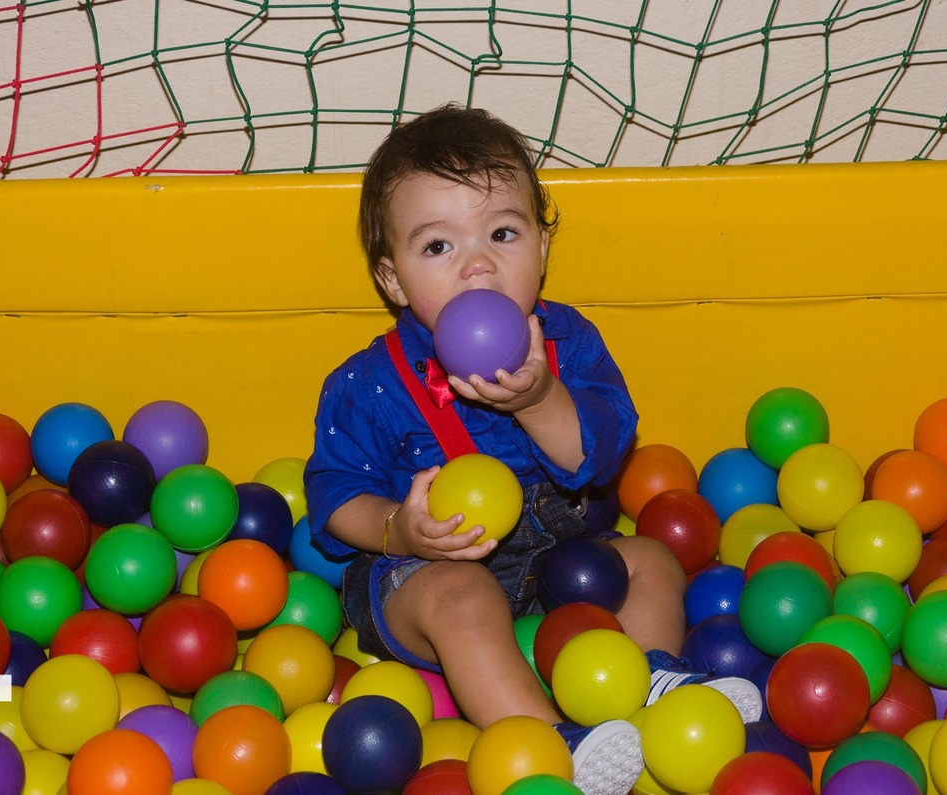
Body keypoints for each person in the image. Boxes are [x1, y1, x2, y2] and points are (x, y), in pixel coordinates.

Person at [303, 103, 760, 795]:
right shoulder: (367, 384)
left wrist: (540, 399)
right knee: (458, 596)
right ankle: (552, 741)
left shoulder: (568, 343)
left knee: (649, 557)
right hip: (423, 576)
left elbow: (602, 458)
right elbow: (332, 492)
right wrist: (401, 528)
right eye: (437, 247)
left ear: (541, 250)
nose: (478, 263)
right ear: (392, 279)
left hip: (554, 565)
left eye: (504, 232)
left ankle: (645, 681)